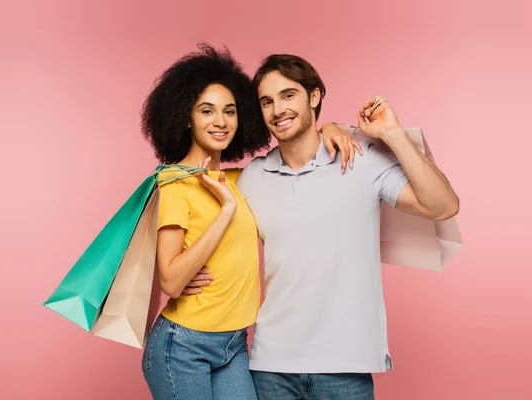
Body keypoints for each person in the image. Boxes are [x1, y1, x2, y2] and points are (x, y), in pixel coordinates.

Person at [226, 54, 459, 400]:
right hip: (270, 367)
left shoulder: (362, 161)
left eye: (288, 95)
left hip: (345, 369)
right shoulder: (252, 178)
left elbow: (444, 206)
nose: (277, 110)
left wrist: (392, 134)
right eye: (267, 102)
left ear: (314, 96)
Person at [140, 45, 360, 400]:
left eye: (230, 111)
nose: (221, 121)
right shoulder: (174, 183)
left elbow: (295, 152)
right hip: (182, 347)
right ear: (186, 117)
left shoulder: (241, 178)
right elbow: (171, 280)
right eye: (206, 111)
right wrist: (225, 211)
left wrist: (331, 126)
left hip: (234, 345)